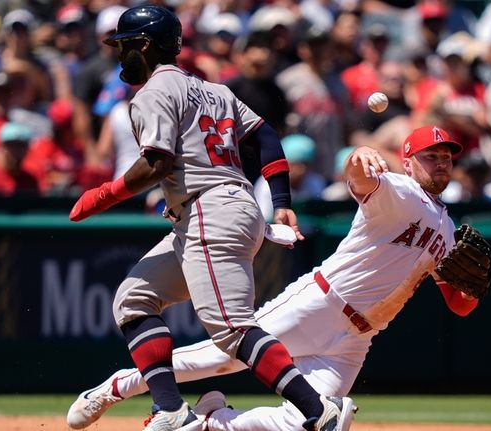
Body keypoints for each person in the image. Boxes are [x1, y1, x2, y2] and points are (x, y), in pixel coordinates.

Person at [67, 125, 485, 431]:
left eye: (447, 156)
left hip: (360, 336)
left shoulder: (448, 231)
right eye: (431, 155)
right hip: (321, 303)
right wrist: (359, 153)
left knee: (314, 422)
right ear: (409, 162)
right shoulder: (399, 190)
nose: (442, 162)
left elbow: (459, 305)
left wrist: (474, 288)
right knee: (221, 358)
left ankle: (215, 421)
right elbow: (359, 178)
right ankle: (120, 385)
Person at [67, 6, 354, 431]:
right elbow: (266, 135)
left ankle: (319, 410)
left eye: (125, 45)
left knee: (233, 331)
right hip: (218, 209)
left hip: (209, 210)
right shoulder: (214, 90)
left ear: (144, 45)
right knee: (133, 299)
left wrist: (104, 194)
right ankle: (169, 410)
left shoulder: (152, 93)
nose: (120, 54)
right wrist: (279, 199)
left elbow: (158, 163)